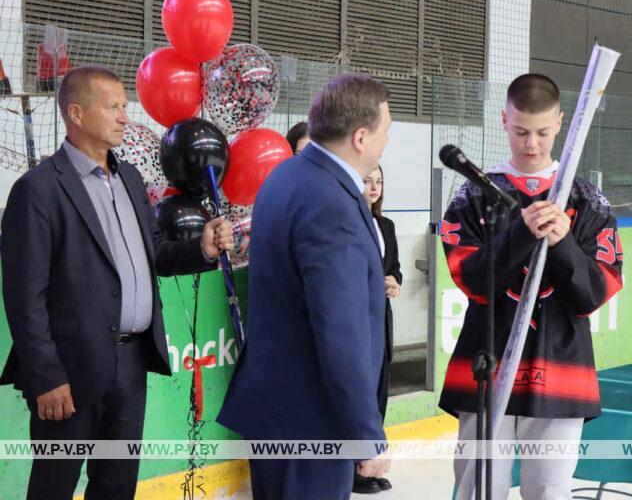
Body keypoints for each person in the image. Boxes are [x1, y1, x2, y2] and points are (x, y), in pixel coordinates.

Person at [0, 65, 234, 500]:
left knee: (117, 485)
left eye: (125, 107)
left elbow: (155, 255)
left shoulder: (129, 179)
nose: (125, 117)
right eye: (113, 108)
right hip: (68, 371)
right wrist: (46, 375)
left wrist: (201, 249)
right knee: (53, 486)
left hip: (130, 367)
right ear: (76, 113)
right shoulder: (38, 191)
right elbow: (23, 296)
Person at [439, 73, 624, 500]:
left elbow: (594, 293)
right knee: (477, 491)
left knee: (550, 493)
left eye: (542, 132)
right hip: (485, 368)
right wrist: (521, 233)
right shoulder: (475, 194)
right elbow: (472, 280)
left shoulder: (587, 200)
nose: (532, 144)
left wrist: (562, 245)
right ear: (504, 120)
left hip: (561, 371)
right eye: (521, 131)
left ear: (561, 122)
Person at [218, 73, 392, 500]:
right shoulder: (330, 203)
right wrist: (365, 431)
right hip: (309, 418)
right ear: (360, 137)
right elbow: (340, 328)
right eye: (385, 133)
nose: (387, 143)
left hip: (279, 409)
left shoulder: (288, 176)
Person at [356, 165, 402, 494]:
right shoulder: (350, 225)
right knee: (357, 396)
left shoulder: (387, 225)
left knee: (378, 394)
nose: (374, 187)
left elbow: (394, 268)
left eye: (379, 181)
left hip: (380, 318)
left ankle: (370, 460)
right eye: (367, 180)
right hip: (356, 321)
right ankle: (354, 467)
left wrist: (394, 281)